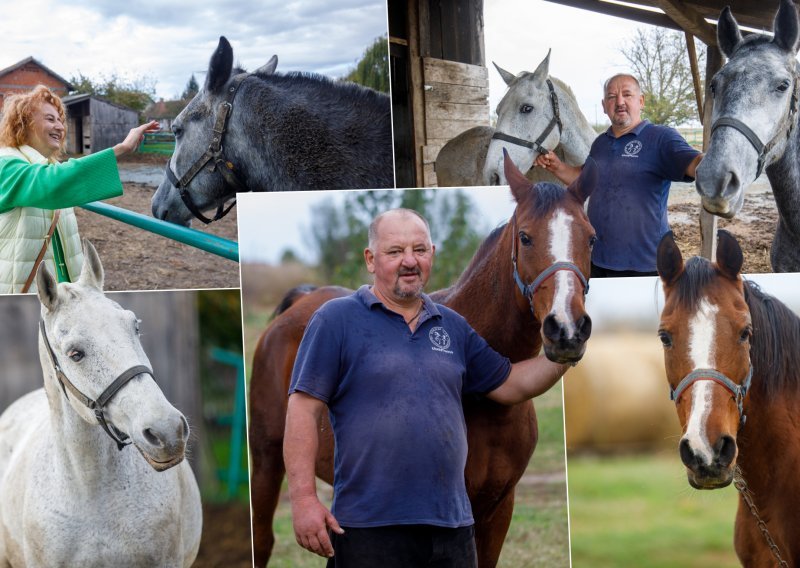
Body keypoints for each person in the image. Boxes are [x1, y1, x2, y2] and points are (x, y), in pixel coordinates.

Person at [283, 208, 571, 567]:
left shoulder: (453, 327)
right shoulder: (336, 319)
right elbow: (303, 409)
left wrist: (563, 353)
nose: (409, 261)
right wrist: (304, 499)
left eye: (419, 250)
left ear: (432, 254)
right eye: (395, 251)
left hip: (451, 529)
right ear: (371, 259)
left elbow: (511, 383)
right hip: (367, 529)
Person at [535, 73, 703, 277]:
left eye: (627, 94)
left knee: (640, 311)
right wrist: (556, 166)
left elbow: (696, 164)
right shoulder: (600, 143)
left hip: (647, 264)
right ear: (604, 105)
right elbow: (584, 179)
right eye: (612, 96)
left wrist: (714, 160)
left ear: (641, 101)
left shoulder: (661, 138)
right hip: (598, 258)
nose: (620, 102)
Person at [0, 84, 158, 293]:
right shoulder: (6, 164)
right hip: (18, 295)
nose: (60, 127)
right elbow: (50, 185)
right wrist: (120, 149)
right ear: (24, 123)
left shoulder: (51, 167)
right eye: (50, 119)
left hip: (59, 293)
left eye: (60, 120)